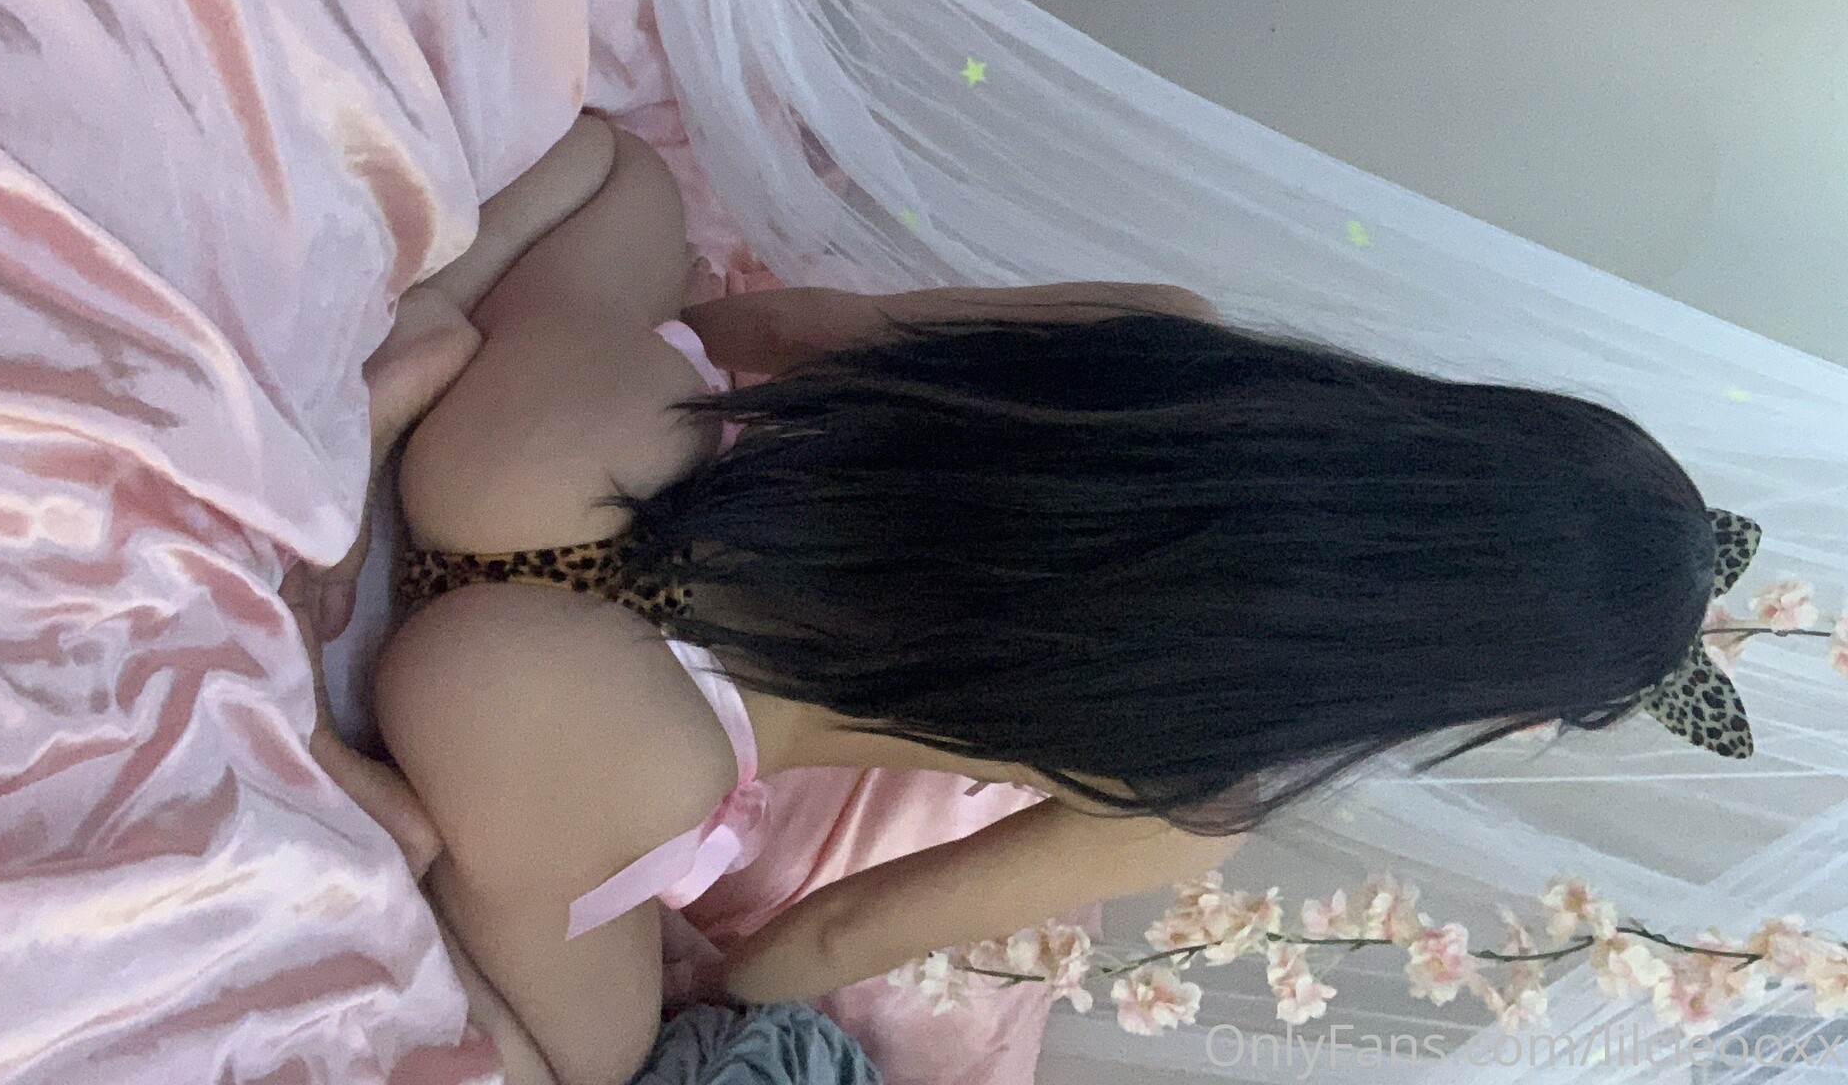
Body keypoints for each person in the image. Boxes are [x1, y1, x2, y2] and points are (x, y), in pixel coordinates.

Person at [290, 112, 1719, 1085]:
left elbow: (811, 329)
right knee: (582, 1065)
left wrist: (652, 355)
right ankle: (408, 819)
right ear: (1466, 677)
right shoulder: (1197, 795)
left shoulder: (1172, 340)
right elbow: (823, 944)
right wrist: (679, 947)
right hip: (592, 734)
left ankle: (414, 371)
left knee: (619, 174)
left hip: (583, 447)